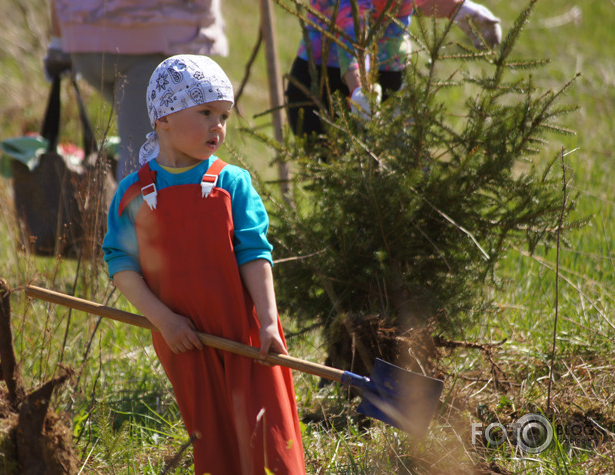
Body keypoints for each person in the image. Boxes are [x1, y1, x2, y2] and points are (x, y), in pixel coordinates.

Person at [102, 55, 306, 475]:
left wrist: (268, 321)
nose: (218, 125)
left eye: (224, 115)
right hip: (184, 338)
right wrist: (163, 320)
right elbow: (122, 265)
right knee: (213, 440)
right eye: (206, 112)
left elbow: (254, 253)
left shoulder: (232, 183)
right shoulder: (135, 192)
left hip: (246, 338)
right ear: (163, 120)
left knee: (269, 439)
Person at [44, 0, 229, 180]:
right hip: (150, 38)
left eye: (224, 117)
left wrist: (59, 39)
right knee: (142, 161)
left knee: (148, 145)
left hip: (82, 37)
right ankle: (137, 209)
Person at [285, 0, 503, 136]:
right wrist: (360, 91)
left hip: (387, 83)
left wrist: (459, 9)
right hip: (325, 88)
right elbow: (351, 32)